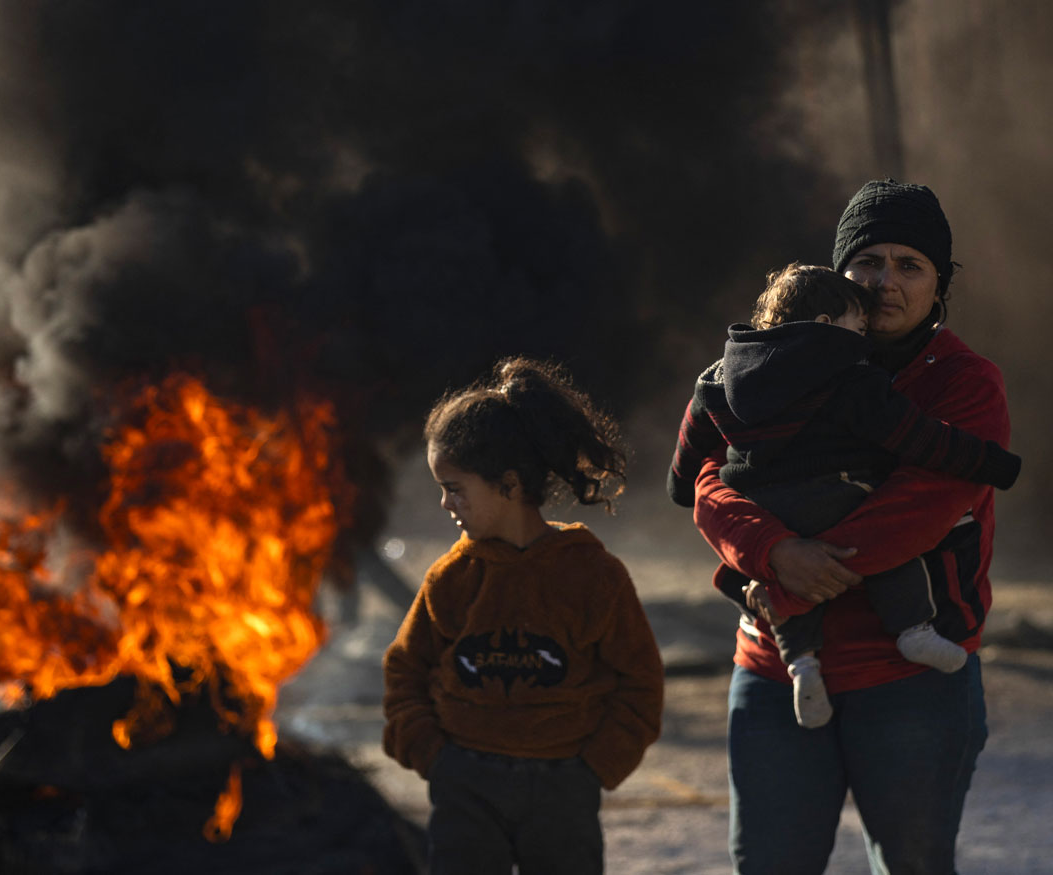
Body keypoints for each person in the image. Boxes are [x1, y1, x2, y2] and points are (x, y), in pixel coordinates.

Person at [693, 180, 1010, 874]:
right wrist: (772, 548)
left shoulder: (963, 382)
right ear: (836, 272)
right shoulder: (768, 365)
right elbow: (708, 481)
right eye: (867, 261)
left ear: (938, 284)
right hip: (774, 674)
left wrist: (784, 584)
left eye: (908, 265)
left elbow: (913, 514)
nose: (884, 281)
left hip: (908, 680)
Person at [668, 263, 1020, 728]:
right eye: (857, 326)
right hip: (834, 497)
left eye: (909, 265)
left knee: (811, 558)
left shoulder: (719, 378)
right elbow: (915, 440)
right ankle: (913, 628)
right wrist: (993, 463)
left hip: (766, 509)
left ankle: (802, 665)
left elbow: (691, 459)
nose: (864, 336)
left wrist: (681, 486)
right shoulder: (848, 378)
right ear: (825, 327)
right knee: (888, 536)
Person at [382, 357, 664, 875]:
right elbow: (405, 670)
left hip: (563, 788)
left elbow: (640, 682)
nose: (445, 503)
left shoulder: (591, 575)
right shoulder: (451, 578)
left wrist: (594, 767)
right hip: (465, 787)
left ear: (509, 485)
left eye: (455, 487)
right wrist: (435, 758)